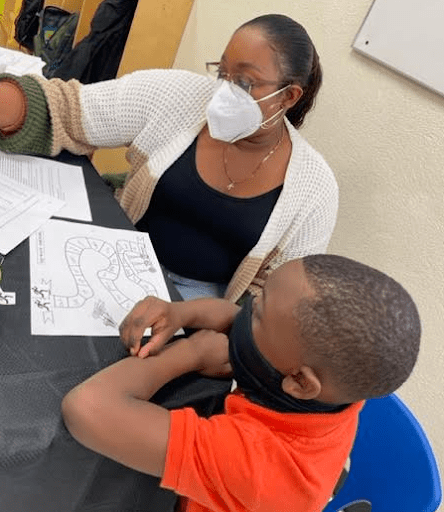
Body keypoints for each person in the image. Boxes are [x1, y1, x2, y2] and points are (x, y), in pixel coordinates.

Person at [0, 14, 338, 302]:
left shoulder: (314, 188)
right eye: (223, 73)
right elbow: (67, 110)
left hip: (200, 305)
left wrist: (200, 326)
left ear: (289, 96)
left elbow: (277, 300)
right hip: (116, 254)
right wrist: (10, 104)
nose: (224, 92)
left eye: (246, 83)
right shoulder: (176, 96)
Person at [61, 254, 421, 512]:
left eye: (259, 312)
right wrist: (180, 312)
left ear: (298, 381)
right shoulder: (332, 395)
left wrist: (188, 352)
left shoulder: (259, 467)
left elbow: (87, 408)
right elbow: (237, 320)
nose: (246, 307)